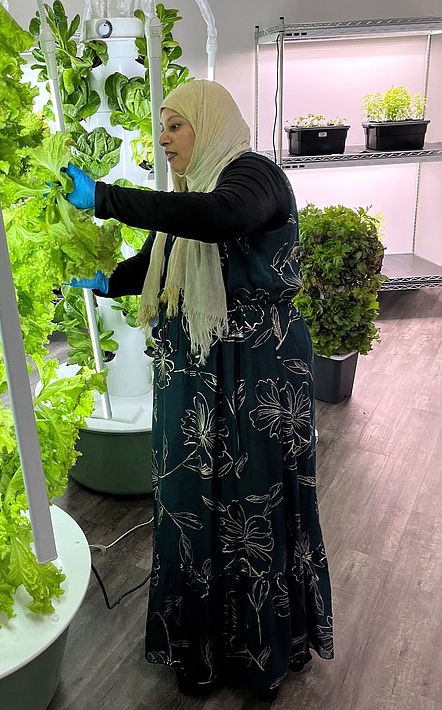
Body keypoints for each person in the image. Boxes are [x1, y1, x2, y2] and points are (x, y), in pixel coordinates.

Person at [63, 80, 334, 700]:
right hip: (194, 372)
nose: (163, 137)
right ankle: (200, 651)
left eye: (176, 124)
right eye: (161, 125)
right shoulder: (189, 197)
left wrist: (105, 198)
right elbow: (157, 258)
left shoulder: (254, 176)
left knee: (253, 502)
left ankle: (260, 653)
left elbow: (221, 219)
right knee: (191, 502)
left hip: (257, 371)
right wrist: (106, 280)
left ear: (209, 125)